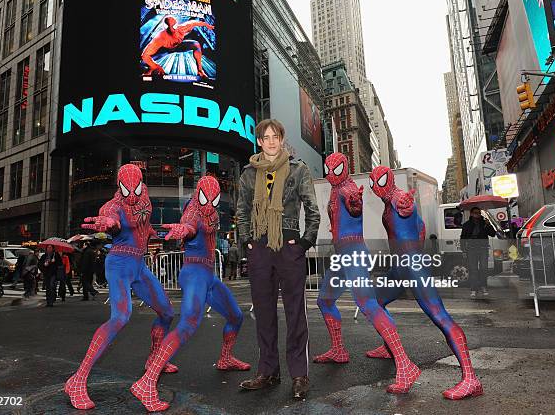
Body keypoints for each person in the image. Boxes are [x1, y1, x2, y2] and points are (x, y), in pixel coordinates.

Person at [131, 176, 251, 412]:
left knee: (236, 316)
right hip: (194, 272)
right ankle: (146, 381)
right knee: (187, 324)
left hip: (208, 274)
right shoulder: (194, 211)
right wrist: (183, 229)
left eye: (214, 198)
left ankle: (225, 358)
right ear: (199, 194)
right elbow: (189, 224)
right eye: (207, 197)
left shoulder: (212, 212)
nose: (210, 202)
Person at [64, 164, 177, 410]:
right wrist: (108, 222)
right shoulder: (113, 205)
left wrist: (162, 235)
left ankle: (153, 358)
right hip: (119, 263)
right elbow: (113, 219)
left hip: (138, 264)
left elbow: (144, 227)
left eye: (135, 186)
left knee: (167, 312)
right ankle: (77, 380)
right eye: (126, 188)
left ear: (141, 182)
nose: (132, 193)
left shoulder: (145, 201)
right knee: (120, 317)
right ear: (119, 186)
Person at [367, 166, 483, 400]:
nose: (375, 188)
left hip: (411, 267)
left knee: (440, 316)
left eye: (378, 181)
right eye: (372, 183)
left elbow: (407, 210)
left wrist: (406, 209)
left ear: (388, 180)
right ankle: (394, 352)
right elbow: (420, 228)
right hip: (402, 266)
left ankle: (471, 379)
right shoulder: (389, 199)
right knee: (374, 303)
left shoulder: (398, 198)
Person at [312, 154, 421, 392]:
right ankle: (339, 350)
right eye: (328, 168)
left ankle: (405, 362)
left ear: (344, 167)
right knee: (325, 300)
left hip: (352, 253)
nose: (331, 172)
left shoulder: (347, 188)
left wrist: (354, 202)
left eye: (336, 168)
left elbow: (354, 205)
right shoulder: (337, 188)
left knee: (368, 304)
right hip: (344, 255)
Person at [236, 119, 320, 399]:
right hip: (259, 246)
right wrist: (248, 241)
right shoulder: (248, 173)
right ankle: (268, 371)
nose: (271, 141)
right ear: (259, 141)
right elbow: (243, 211)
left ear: (282, 139)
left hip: (288, 244)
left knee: (296, 312)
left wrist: (305, 241)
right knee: (263, 313)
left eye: (275, 136)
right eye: (266, 137)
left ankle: (299, 375)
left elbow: (312, 209)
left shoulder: (298, 170)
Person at [141, 16, 215, 78]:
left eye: (175, 28)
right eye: (172, 29)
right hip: (163, 50)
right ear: (167, 28)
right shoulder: (160, 38)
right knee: (145, 63)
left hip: (178, 46)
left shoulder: (183, 28)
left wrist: (207, 25)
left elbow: (196, 23)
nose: (177, 33)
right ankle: (150, 70)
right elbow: (145, 56)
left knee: (196, 44)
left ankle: (200, 71)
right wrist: (156, 66)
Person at [460, 206, 496, 299]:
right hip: (472, 249)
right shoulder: (466, 225)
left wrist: (488, 225)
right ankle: (473, 289)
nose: (478, 214)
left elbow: (492, 233)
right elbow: (463, 238)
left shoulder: (484, 223)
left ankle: (483, 287)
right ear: (471, 214)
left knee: (484, 268)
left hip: (483, 248)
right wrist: (463, 250)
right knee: (473, 269)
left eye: (479, 213)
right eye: (476, 213)